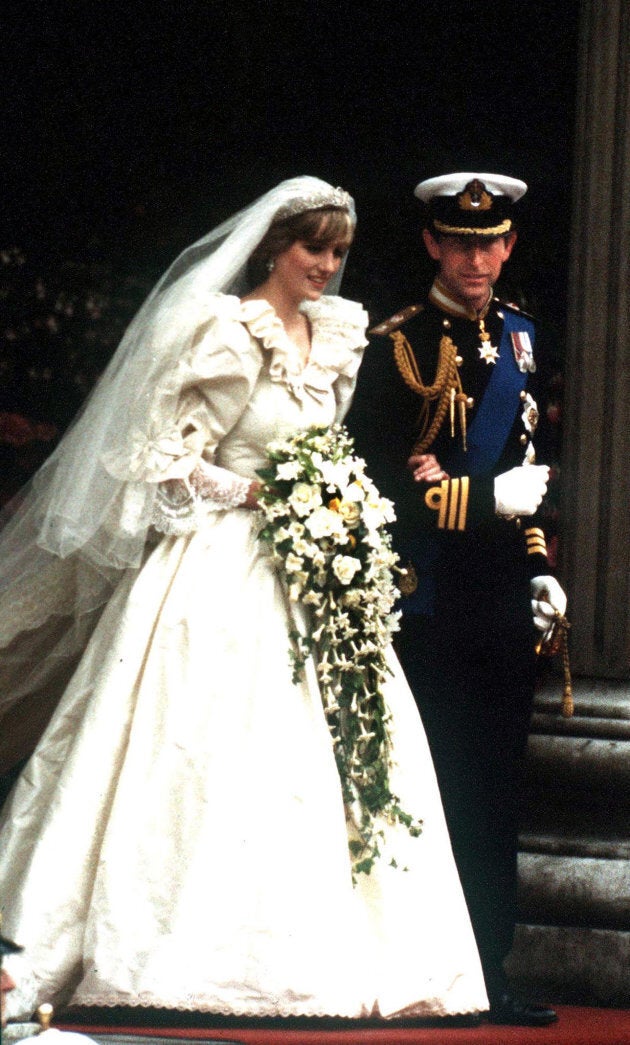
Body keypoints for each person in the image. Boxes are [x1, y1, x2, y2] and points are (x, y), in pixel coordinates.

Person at [0, 176, 488, 1022]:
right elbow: (167, 457)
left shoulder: (336, 336)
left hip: (311, 569)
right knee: (192, 739)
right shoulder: (227, 334)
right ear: (273, 247)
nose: (326, 268)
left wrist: (331, 502)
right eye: (313, 250)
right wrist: (266, 496)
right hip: (220, 560)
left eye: (337, 253)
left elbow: (327, 444)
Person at [345, 172, 566, 1027]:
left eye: (492, 242)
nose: (477, 257)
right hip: (426, 597)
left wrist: (540, 562)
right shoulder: (397, 344)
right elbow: (375, 485)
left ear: (509, 245)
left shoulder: (519, 339)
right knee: (437, 785)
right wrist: (483, 501)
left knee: (499, 787)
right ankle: (430, 967)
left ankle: (492, 968)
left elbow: (530, 471)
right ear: (434, 244)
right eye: (460, 242)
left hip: (502, 596)